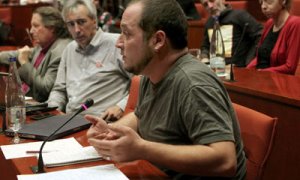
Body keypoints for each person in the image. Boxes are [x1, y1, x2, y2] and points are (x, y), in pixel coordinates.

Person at [86, 0, 246, 179]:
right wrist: (110, 131)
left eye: (127, 34)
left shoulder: (194, 84)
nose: (119, 43)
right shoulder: (151, 72)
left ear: (158, 40)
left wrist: (142, 149)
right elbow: (141, 116)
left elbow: (225, 161)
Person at [48, 0, 131, 119]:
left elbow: (143, 85)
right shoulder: (69, 50)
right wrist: (51, 111)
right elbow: (59, 90)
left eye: (81, 22)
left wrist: (121, 106)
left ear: (94, 20)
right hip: (68, 122)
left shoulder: (116, 44)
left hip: (103, 122)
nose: (76, 30)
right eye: (71, 24)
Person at [0, 6, 71, 102]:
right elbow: (17, 54)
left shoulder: (60, 50)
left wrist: (24, 62)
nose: (31, 31)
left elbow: (45, 88)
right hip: (26, 100)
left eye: (36, 26)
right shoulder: (43, 45)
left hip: (42, 107)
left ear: (52, 28)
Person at [200, 0, 263, 67]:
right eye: (205, 4)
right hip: (217, 67)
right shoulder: (209, 23)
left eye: (212, 1)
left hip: (239, 68)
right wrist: (204, 58)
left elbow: (260, 35)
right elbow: (205, 46)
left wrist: (249, 60)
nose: (210, 6)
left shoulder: (239, 15)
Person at [247, 0, 300, 75]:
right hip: (260, 79)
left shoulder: (295, 24)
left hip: (279, 83)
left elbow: (290, 67)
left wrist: (261, 73)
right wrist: (245, 71)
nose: (263, 7)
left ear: (283, 1)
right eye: (261, 2)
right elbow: (260, 58)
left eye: (269, 2)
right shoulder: (269, 23)